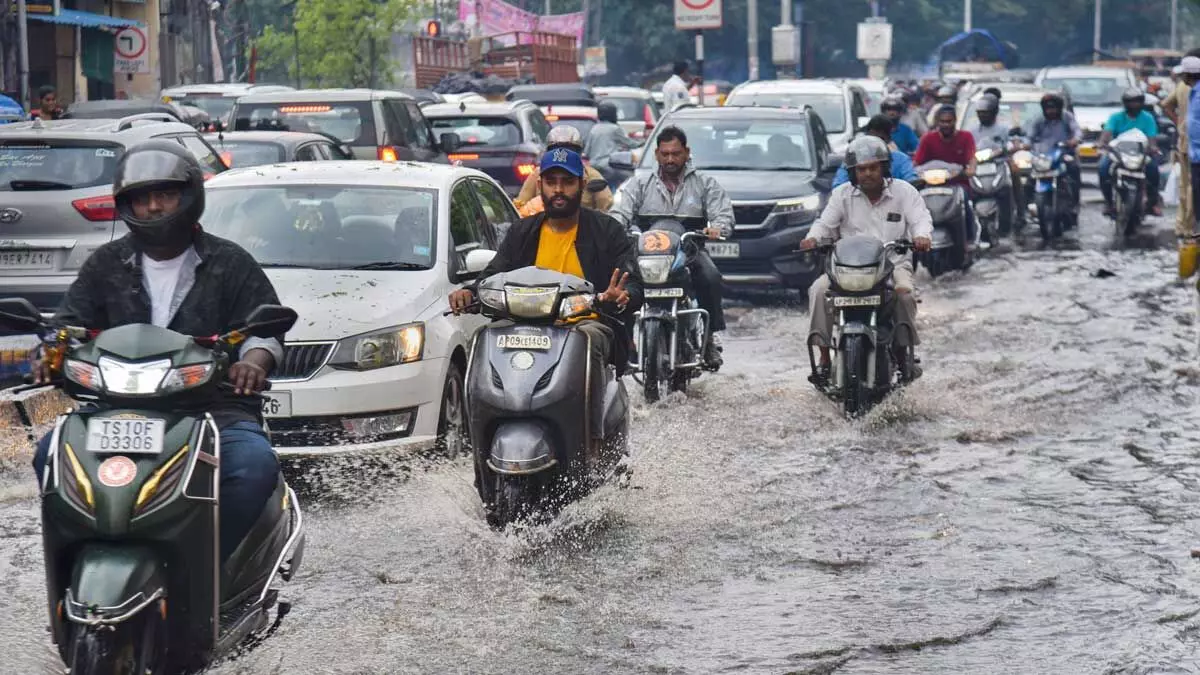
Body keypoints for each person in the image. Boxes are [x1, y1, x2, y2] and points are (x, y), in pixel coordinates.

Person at [29, 140, 285, 563]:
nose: (153, 207)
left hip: (210, 407)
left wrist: (253, 362)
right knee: (50, 456)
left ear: (189, 197)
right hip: (114, 408)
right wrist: (51, 352)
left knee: (252, 468)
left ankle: (211, 568)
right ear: (126, 204)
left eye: (164, 195)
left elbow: (264, 330)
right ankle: (77, 568)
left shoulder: (230, 262)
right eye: (142, 198)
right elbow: (66, 325)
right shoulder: (105, 263)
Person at [448, 146, 643, 436]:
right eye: (551, 183)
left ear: (582, 185)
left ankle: (589, 439)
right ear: (540, 186)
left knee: (588, 338)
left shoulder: (607, 231)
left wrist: (620, 296)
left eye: (567, 182)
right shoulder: (522, 232)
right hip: (523, 327)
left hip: (585, 324)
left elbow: (633, 283)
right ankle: (480, 436)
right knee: (483, 337)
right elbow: (493, 275)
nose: (559, 190)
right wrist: (470, 293)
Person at [800, 136, 932, 383]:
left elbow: (920, 219)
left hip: (892, 264)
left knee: (904, 293)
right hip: (846, 269)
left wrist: (922, 236)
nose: (868, 174)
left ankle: (903, 354)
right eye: (861, 169)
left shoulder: (904, 192)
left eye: (873, 167)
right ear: (852, 172)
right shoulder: (841, 195)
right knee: (818, 290)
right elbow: (824, 224)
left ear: (884, 168)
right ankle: (824, 357)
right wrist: (813, 239)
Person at [609, 126, 734, 368]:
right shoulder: (639, 184)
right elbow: (619, 213)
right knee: (620, 281)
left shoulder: (704, 184)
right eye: (665, 154)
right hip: (648, 255)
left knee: (710, 276)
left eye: (675, 153)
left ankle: (709, 338)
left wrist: (717, 227)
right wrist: (614, 228)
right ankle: (624, 343)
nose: (670, 159)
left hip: (689, 252)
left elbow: (723, 215)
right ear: (656, 154)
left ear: (686, 153)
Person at [915, 104, 980, 245]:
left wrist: (971, 169)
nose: (946, 125)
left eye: (949, 121)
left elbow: (972, 158)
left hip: (957, 184)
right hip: (930, 185)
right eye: (943, 121)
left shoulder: (966, 137)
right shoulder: (927, 139)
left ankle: (969, 239)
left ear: (955, 121)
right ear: (937, 122)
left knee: (966, 204)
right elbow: (917, 163)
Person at [516, 125, 613, 212]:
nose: (559, 189)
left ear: (583, 183)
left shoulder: (592, 176)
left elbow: (607, 208)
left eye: (569, 181)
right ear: (539, 183)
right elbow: (521, 207)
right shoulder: (538, 173)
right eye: (550, 181)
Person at [1098, 87, 1162, 218]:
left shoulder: (1148, 118)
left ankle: (1153, 202)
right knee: (1103, 168)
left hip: (1140, 154)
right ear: (1125, 103)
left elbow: (1152, 139)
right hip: (1119, 154)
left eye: (1137, 102)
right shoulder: (1116, 117)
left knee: (1153, 170)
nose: (1134, 105)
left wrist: (1153, 148)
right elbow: (1107, 134)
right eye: (1131, 102)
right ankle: (1109, 202)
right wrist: (1102, 144)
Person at [1024, 92, 1083, 212]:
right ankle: (1025, 209)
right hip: (1043, 156)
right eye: (1048, 108)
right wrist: (1026, 144)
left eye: (1053, 108)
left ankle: (1074, 204)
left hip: (1064, 153)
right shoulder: (1038, 119)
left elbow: (1077, 131)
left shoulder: (1067, 117)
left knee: (1074, 169)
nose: (1051, 111)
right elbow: (1029, 136)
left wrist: (1075, 140)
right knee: (1028, 180)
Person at [1164, 55, 1200, 240]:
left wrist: (1179, 123)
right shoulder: (1191, 90)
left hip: (1192, 148)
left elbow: (1165, 105)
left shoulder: (1191, 90)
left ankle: (1187, 225)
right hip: (1191, 148)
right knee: (1191, 188)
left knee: (1190, 188)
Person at [833, 115, 917, 188]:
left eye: (880, 139)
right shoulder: (852, 159)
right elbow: (838, 187)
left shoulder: (901, 160)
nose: (874, 144)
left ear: (888, 140)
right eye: (862, 169)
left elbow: (912, 182)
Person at [586, 100, 641, 188]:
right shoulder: (615, 129)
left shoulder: (594, 128)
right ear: (613, 114)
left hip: (594, 167)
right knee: (631, 177)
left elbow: (587, 152)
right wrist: (643, 143)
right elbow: (630, 143)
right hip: (609, 166)